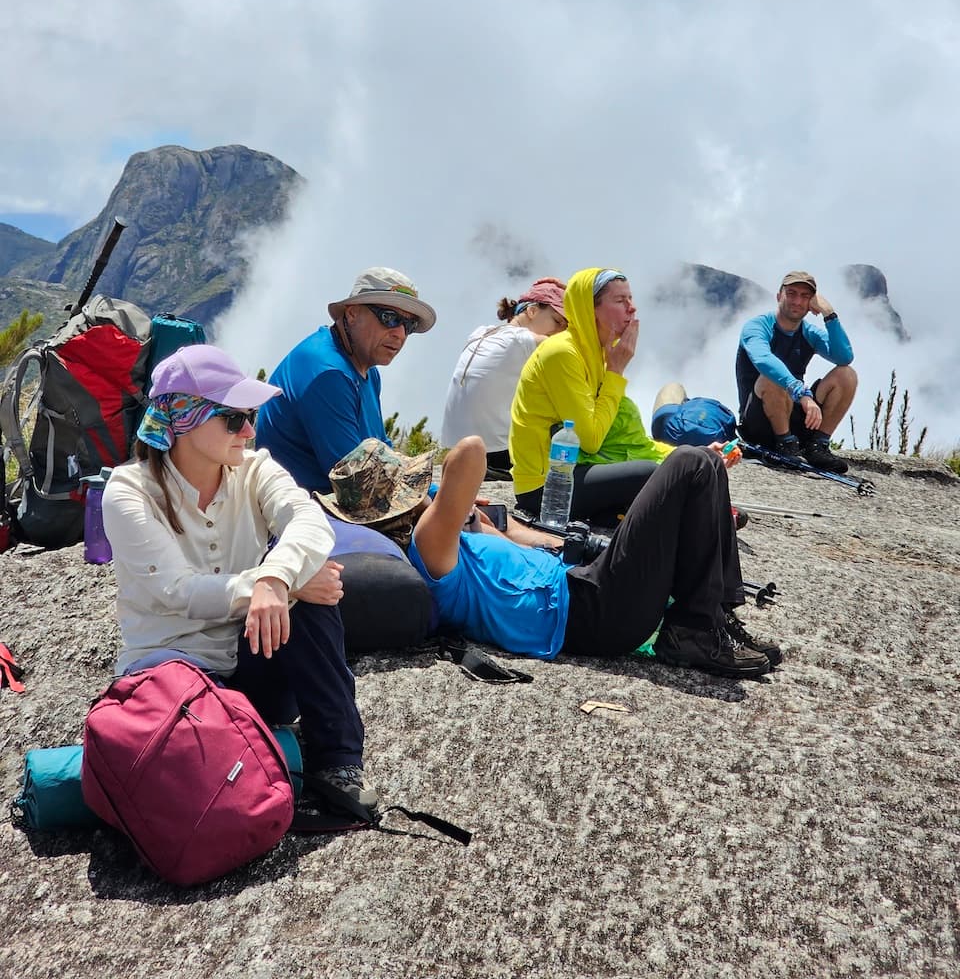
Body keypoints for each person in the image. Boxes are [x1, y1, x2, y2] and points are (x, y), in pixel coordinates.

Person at [101, 344, 375, 809]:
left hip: (251, 660)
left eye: (249, 415)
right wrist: (267, 585)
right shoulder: (130, 490)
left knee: (307, 595)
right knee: (302, 586)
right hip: (175, 675)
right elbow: (178, 591)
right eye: (233, 418)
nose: (249, 430)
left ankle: (339, 761)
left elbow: (309, 522)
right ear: (184, 419)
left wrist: (278, 580)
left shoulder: (255, 469)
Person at [324, 436, 780, 680]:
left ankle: (712, 618)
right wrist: (445, 496)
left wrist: (480, 518)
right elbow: (470, 452)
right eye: (412, 484)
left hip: (585, 584)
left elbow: (517, 532)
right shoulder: (429, 548)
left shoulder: (454, 538)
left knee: (701, 474)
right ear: (403, 506)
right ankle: (698, 630)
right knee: (689, 462)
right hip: (590, 611)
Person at [509, 267, 671, 525]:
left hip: (576, 470)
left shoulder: (594, 353)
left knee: (689, 463)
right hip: (546, 486)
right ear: (589, 309)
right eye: (620, 301)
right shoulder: (562, 353)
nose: (632, 308)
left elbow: (619, 436)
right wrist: (615, 372)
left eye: (630, 299)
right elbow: (591, 439)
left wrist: (678, 452)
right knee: (652, 474)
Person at [256, 267, 437, 493]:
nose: (400, 333)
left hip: (340, 509)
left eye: (408, 325)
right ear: (352, 313)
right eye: (389, 318)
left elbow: (383, 456)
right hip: (308, 515)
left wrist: (440, 494)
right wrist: (444, 506)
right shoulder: (328, 374)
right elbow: (356, 479)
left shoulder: (367, 372)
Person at [440, 277, 567, 476]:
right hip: (496, 454)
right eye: (558, 321)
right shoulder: (524, 340)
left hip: (456, 450)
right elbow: (579, 347)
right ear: (532, 311)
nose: (560, 331)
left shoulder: (481, 333)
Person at [736, 271, 857, 473]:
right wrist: (801, 393)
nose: (797, 301)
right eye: (791, 293)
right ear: (779, 296)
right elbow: (764, 360)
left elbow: (844, 357)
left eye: (805, 296)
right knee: (770, 378)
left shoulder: (809, 333)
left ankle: (817, 447)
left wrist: (830, 314)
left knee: (847, 375)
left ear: (812, 304)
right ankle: (785, 444)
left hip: (792, 414)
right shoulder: (757, 327)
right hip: (758, 422)